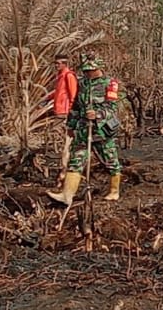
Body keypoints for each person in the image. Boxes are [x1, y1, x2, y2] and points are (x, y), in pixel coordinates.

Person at [47, 56, 124, 204]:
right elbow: (75, 106)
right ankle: (67, 195)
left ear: (98, 69)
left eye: (91, 70)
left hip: (102, 129)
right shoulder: (82, 83)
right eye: (86, 70)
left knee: (111, 160)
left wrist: (98, 114)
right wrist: (71, 125)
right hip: (83, 128)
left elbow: (113, 107)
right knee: (76, 159)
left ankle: (114, 191)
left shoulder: (110, 83)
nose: (88, 73)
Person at [50, 54, 78, 119]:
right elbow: (58, 92)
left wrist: (70, 109)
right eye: (55, 63)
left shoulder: (69, 76)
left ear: (64, 64)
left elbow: (73, 94)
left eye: (58, 63)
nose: (56, 65)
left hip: (65, 111)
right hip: (58, 110)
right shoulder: (60, 76)